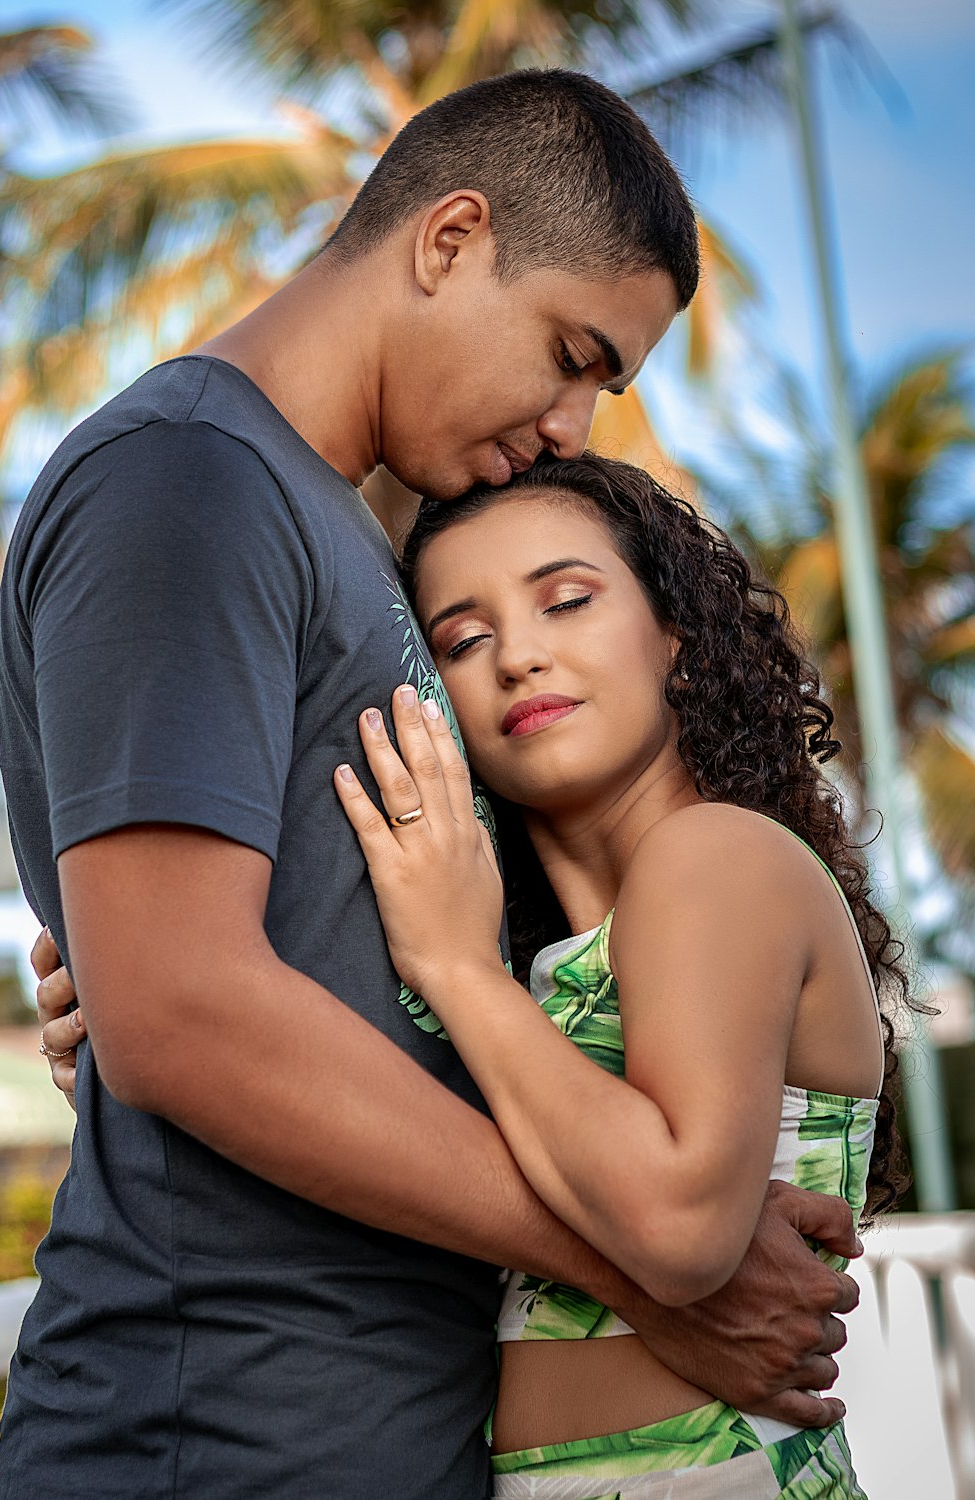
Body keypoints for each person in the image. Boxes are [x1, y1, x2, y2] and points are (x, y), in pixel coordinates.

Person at [0, 70, 857, 1500]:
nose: (578, 423)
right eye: (575, 352)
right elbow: (184, 1011)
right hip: (216, 1439)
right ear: (449, 240)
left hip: (391, 1431)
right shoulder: (188, 480)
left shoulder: (342, 537)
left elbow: (224, 981)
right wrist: (646, 1265)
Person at [324, 451, 909, 1496]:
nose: (518, 657)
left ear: (673, 635)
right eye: (464, 639)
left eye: (567, 601)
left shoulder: (713, 858)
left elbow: (681, 1228)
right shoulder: (542, 965)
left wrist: (456, 970)